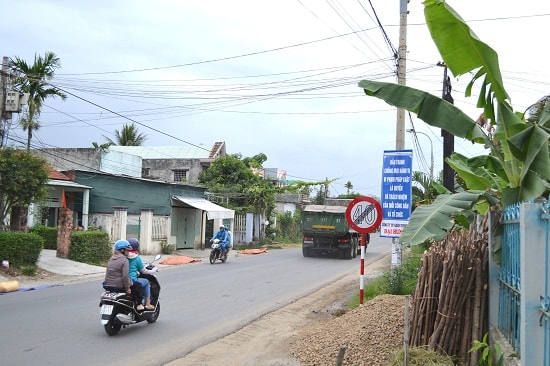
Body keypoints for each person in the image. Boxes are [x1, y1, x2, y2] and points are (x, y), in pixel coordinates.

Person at [127, 238, 157, 311]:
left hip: (121, 280)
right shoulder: (136, 258)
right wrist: (153, 271)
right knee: (146, 282)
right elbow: (143, 271)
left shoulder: (123, 256)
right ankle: (148, 304)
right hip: (132, 280)